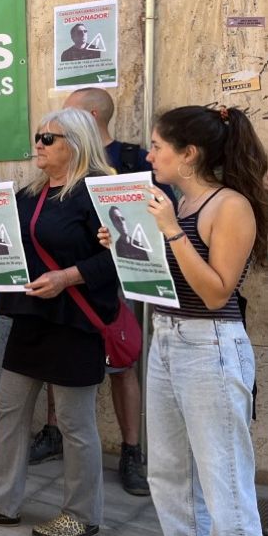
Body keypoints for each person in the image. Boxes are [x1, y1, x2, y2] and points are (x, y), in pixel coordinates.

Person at [0, 108, 117, 536]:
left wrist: (67, 277)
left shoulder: (97, 192)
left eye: (48, 138)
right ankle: (2, 502)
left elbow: (118, 259)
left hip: (74, 320)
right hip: (31, 317)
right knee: (10, 409)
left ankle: (82, 516)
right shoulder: (30, 193)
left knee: (75, 424)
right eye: (38, 137)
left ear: (75, 144)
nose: (38, 145)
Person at [127, 106, 266, 535]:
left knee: (224, 482)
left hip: (211, 347)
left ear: (188, 154)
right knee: (169, 478)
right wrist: (128, 246)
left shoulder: (230, 206)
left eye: (156, 147)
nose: (149, 156)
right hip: (166, 339)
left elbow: (215, 292)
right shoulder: (181, 203)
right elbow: (169, 278)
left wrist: (170, 231)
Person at [33, 87, 151, 495]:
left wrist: (118, 235)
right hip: (57, 300)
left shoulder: (129, 162)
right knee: (59, 381)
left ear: (89, 120)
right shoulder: (44, 182)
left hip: (105, 292)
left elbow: (148, 233)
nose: (43, 138)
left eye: (54, 130)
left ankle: (131, 451)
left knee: (121, 365)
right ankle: (51, 432)